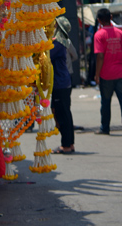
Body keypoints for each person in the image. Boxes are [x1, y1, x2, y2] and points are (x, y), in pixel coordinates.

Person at [94, 7, 122, 135]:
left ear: (99, 20)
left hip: (106, 74)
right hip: (120, 73)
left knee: (105, 102)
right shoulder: (120, 34)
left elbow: (100, 56)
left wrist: (97, 74)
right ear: (111, 17)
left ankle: (105, 128)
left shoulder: (99, 35)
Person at [50, 16, 75, 153]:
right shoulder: (63, 41)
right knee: (66, 114)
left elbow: (46, 54)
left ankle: (66, 145)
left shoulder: (58, 43)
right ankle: (69, 144)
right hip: (63, 82)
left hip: (59, 83)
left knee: (62, 115)